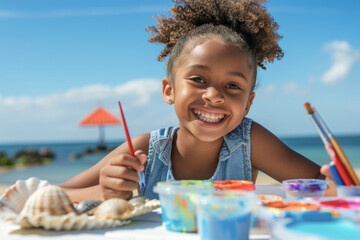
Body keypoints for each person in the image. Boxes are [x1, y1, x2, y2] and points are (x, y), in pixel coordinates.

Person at [60, 0, 336, 201]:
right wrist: (105, 191)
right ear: (169, 90)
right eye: (199, 80)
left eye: (232, 85)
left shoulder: (251, 142)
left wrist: (335, 181)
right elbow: (52, 194)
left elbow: (324, 184)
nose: (214, 96)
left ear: (248, 104)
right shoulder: (145, 150)